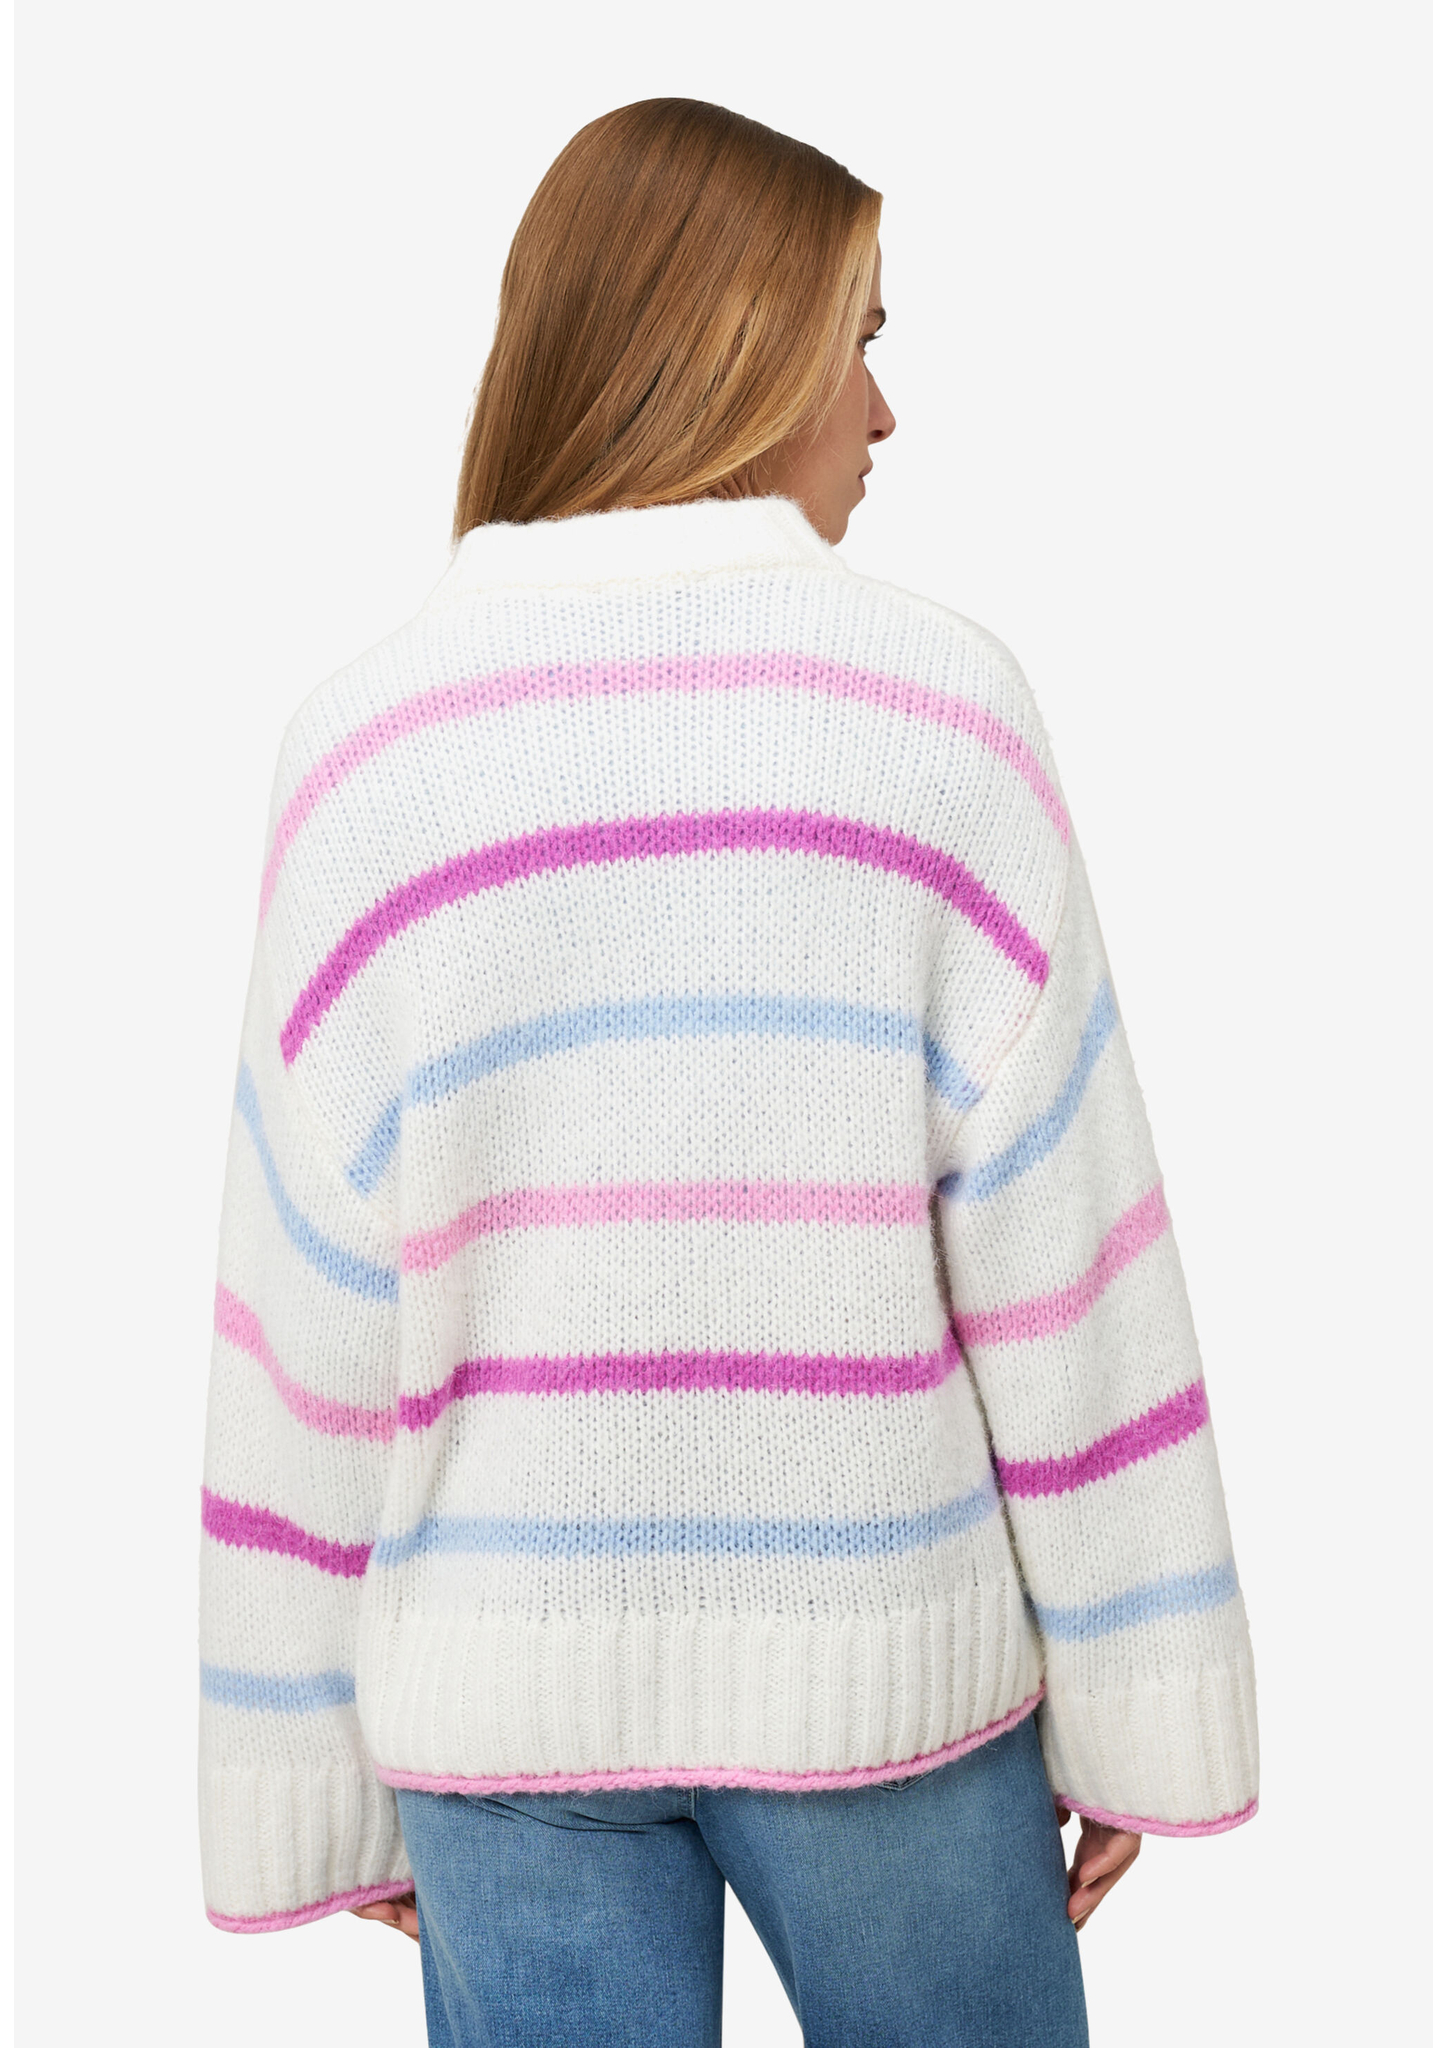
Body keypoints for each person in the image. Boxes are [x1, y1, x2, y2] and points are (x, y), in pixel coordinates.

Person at [197, 97, 1258, 2047]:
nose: (883, 410)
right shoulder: (935, 709)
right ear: (741, 345)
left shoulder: (362, 751)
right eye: (861, 338)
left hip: (495, 1720)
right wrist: (1139, 1691)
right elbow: (1068, 1262)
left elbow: (307, 1316)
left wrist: (314, 1768)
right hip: (884, 1678)